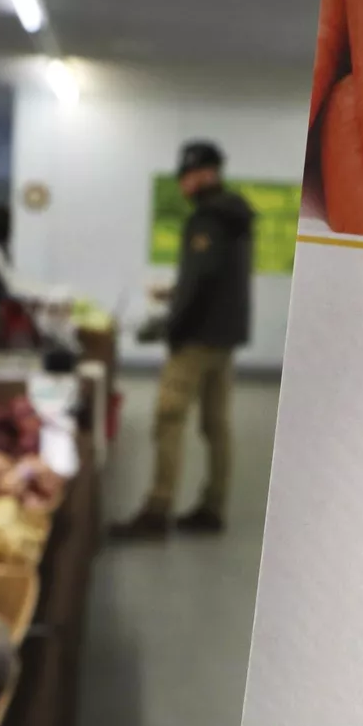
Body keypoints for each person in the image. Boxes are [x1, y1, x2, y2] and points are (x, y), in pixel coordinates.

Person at [111, 140, 256, 539]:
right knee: (216, 425)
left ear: (204, 174)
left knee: (168, 419)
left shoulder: (207, 219)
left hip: (196, 339)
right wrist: (176, 293)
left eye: (187, 176)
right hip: (224, 338)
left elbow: (200, 280)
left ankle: (157, 511)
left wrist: (168, 325)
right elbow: (213, 278)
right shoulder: (236, 215)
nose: (184, 184)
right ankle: (213, 507)